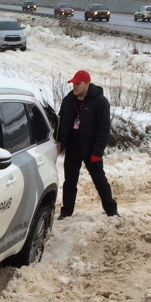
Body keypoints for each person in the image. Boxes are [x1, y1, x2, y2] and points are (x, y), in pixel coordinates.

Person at [56, 70, 118, 218]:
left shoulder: (100, 102)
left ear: (87, 83)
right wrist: (60, 142)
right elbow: (61, 122)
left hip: (91, 149)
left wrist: (97, 152)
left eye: (78, 84)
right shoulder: (68, 100)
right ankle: (66, 212)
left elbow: (103, 129)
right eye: (73, 84)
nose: (74, 87)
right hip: (72, 147)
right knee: (69, 182)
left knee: (99, 180)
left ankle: (111, 211)